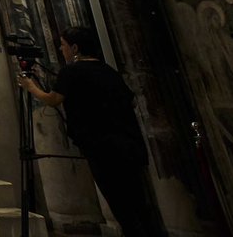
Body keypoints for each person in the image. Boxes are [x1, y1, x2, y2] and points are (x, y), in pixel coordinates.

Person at [18, 26, 165, 237]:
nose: (62, 50)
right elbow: (131, 101)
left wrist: (30, 86)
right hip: (129, 143)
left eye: (63, 45)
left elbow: (54, 100)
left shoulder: (72, 71)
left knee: (120, 204)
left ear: (75, 47)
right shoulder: (108, 70)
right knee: (139, 203)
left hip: (102, 146)